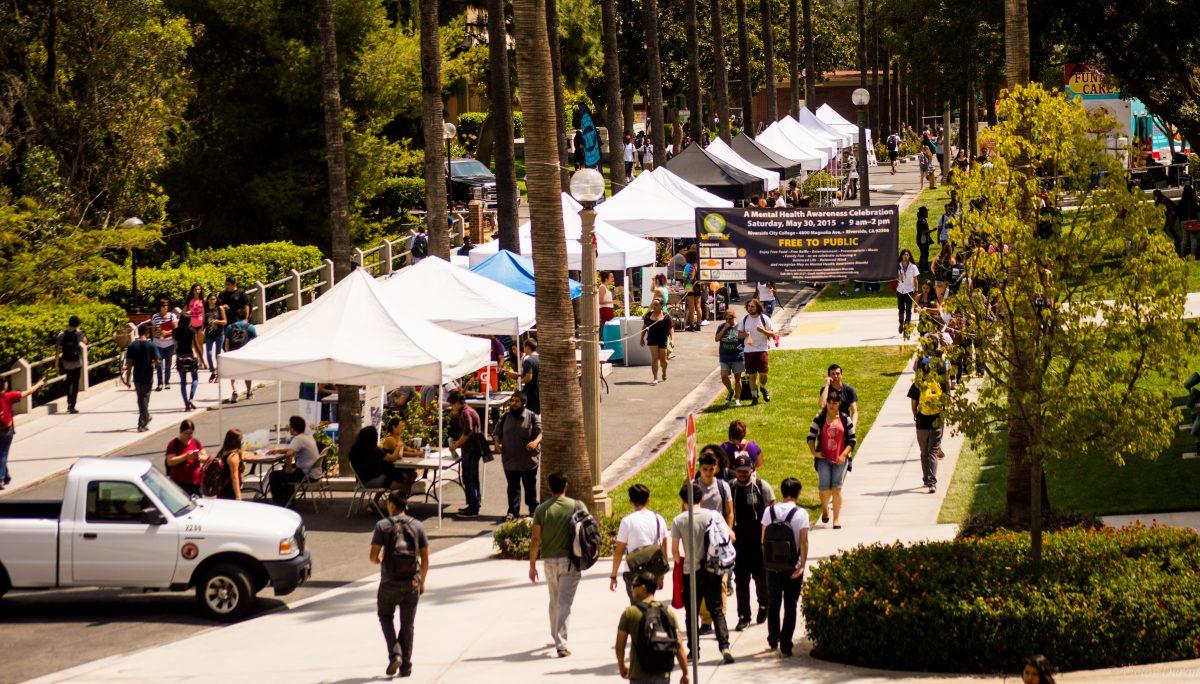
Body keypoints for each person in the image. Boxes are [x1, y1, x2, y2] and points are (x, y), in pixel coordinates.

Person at [671, 482, 735, 664]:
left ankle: (694, 651)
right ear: (701, 498)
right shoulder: (713, 515)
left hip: (691, 572)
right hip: (712, 569)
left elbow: (675, 552)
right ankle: (724, 646)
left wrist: (681, 562)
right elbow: (731, 536)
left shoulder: (679, 520)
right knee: (716, 609)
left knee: (692, 613)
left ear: (683, 500)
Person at [370, 492, 429, 678]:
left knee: (385, 616)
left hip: (389, 582)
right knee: (407, 624)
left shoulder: (382, 525)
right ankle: (406, 666)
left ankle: (395, 653)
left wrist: (381, 561)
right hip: (411, 581)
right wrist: (421, 581)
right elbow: (425, 559)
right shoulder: (418, 526)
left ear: (391, 504)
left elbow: (373, 556)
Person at [529, 472, 582, 658]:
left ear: (549, 487)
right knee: (564, 603)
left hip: (549, 562)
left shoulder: (541, 510)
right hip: (570, 562)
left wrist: (532, 564)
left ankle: (555, 635)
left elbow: (535, 540)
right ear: (566, 485)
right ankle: (561, 644)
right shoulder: (576, 506)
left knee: (554, 600)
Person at [759, 477, 810, 656]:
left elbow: (763, 540)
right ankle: (786, 644)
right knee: (790, 605)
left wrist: (767, 561)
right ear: (798, 493)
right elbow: (803, 541)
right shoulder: (801, 514)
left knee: (773, 603)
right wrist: (802, 565)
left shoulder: (768, 511)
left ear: (781, 492)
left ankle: (773, 639)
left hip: (772, 566)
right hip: (792, 566)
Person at [615, 571, 689, 684]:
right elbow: (678, 646)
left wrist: (621, 666)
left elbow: (620, 646)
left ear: (643, 588)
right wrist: (685, 673)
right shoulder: (667, 613)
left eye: (634, 586)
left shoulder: (630, 612)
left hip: (639, 675)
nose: (631, 589)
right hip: (663, 674)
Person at [730, 452, 773, 631]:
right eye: (739, 471)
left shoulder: (761, 486)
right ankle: (744, 615)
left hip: (758, 542)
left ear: (752, 469)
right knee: (741, 580)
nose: (742, 474)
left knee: (761, 578)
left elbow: (772, 510)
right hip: (739, 542)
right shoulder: (730, 488)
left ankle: (764, 605)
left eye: (745, 470)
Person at [610, 484, 669, 600]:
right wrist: (661, 575)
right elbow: (664, 548)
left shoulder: (627, 521)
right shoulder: (659, 519)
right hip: (653, 571)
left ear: (630, 502)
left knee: (637, 609)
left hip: (633, 572)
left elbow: (619, 551)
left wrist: (613, 576)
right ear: (648, 500)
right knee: (648, 605)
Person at [807, 389, 855, 528]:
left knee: (836, 489)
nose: (832, 405)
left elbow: (852, 440)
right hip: (823, 459)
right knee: (824, 489)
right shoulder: (820, 418)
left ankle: (836, 519)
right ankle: (825, 510)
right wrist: (814, 452)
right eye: (829, 401)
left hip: (840, 459)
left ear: (839, 403)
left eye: (835, 402)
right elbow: (810, 437)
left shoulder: (845, 419)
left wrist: (843, 455)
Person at [493, 391, 541, 521]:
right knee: (513, 488)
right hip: (510, 460)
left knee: (530, 488)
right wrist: (496, 443)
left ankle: (533, 510)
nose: (513, 403)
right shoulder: (505, 417)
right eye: (512, 401)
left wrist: (535, 442)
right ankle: (513, 513)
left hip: (528, 461)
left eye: (516, 401)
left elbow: (540, 433)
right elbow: (496, 432)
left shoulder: (532, 416)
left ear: (523, 403)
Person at [909, 354, 949, 493]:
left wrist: (915, 414)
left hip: (921, 422)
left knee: (924, 452)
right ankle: (932, 482)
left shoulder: (917, 384)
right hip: (937, 421)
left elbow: (913, 403)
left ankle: (926, 478)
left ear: (920, 369)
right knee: (933, 452)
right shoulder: (940, 382)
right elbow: (946, 400)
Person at [266, 416, 323, 505]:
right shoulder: (307, 437)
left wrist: (289, 469)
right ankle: (289, 499)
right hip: (315, 472)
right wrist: (277, 451)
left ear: (293, 428)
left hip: (306, 474)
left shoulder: (298, 439)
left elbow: (289, 454)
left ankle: (280, 502)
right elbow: (291, 449)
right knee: (284, 471)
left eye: (290, 427)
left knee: (274, 475)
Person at [0, 376, 45, 488]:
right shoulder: (9, 396)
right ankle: (1, 478)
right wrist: (39, 384)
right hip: (6, 430)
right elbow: (27, 392)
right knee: (3, 454)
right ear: (4, 385)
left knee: (1, 454)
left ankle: (6, 477)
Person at [446, 390, 484, 516]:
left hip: (471, 449)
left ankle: (473, 506)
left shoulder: (466, 413)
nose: (452, 407)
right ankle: (474, 503)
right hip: (472, 448)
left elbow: (468, 431)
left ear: (457, 403)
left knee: (469, 477)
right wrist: (459, 442)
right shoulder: (469, 410)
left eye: (452, 404)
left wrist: (457, 444)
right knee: (473, 477)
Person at [737, 299, 777, 405]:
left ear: (758, 307)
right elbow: (739, 335)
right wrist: (744, 334)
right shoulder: (744, 319)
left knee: (763, 373)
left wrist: (763, 331)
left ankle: (763, 388)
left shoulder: (764, 319)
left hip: (761, 349)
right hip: (748, 350)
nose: (750, 308)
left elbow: (773, 334)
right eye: (749, 306)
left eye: (752, 306)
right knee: (752, 375)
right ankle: (754, 398)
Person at [122, 324, 160, 432]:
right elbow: (158, 361)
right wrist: (152, 364)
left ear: (138, 333)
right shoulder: (151, 346)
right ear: (147, 333)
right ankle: (142, 423)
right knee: (144, 399)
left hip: (137, 376)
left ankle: (145, 417)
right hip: (148, 376)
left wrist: (128, 379)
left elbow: (129, 365)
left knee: (140, 399)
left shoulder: (132, 346)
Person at [348, 425, 409, 491]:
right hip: (373, 481)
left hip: (361, 481)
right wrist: (398, 446)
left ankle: (381, 499)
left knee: (391, 471)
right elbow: (392, 458)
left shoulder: (355, 449)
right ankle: (395, 499)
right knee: (404, 478)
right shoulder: (374, 449)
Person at [379, 416, 422, 495]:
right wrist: (418, 454)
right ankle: (399, 497)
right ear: (394, 427)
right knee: (408, 475)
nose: (402, 428)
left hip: (396, 466)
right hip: (389, 468)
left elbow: (407, 449)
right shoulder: (390, 439)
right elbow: (401, 453)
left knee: (413, 474)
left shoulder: (398, 439)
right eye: (400, 426)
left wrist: (416, 450)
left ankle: (401, 496)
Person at [165, 419, 207, 496]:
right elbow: (170, 461)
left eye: (191, 433)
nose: (189, 436)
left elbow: (205, 457)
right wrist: (186, 456)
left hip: (195, 483)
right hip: (180, 483)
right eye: (186, 433)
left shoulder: (196, 442)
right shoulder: (174, 444)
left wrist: (199, 457)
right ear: (181, 432)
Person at [55, 315, 87, 414]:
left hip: (66, 363)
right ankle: (72, 406)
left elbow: (57, 350)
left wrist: (56, 364)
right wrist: (79, 330)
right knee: (75, 384)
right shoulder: (79, 333)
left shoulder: (62, 334)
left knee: (68, 383)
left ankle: (69, 402)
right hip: (77, 363)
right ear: (77, 324)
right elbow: (85, 342)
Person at [223, 314, 257, 402]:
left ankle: (235, 392)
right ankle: (249, 392)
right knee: (247, 373)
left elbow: (226, 342)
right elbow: (256, 342)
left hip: (233, 353)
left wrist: (227, 353)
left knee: (234, 374)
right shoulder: (250, 327)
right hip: (245, 354)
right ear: (245, 317)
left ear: (237, 317)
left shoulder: (230, 327)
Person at [173, 317, 204, 411]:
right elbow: (196, 346)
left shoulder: (175, 331)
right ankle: (191, 398)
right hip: (190, 356)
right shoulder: (192, 331)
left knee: (183, 382)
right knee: (195, 379)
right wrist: (202, 359)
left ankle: (186, 404)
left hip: (179, 356)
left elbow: (175, 344)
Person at [714, 311, 744, 405]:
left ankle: (737, 399)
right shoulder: (721, 327)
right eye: (726, 319)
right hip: (724, 356)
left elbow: (744, 338)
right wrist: (724, 329)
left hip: (737, 356)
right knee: (723, 376)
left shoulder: (739, 327)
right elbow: (717, 339)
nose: (727, 321)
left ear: (734, 318)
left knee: (737, 379)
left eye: (730, 319)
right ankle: (730, 391)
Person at [640, 298, 673, 385]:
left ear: (661, 306)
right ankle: (655, 378)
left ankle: (664, 371)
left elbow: (670, 329)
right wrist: (641, 338)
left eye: (656, 305)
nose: (654, 306)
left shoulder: (666, 316)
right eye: (653, 304)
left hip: (663, 338)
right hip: (652, 338)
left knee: (663, 360)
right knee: (654, 359)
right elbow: (644, 326)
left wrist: (672, 340)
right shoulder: (648, 315)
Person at [204, 428, 245, 500]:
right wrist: (238, 496)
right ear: (237, 442)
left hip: (222, 491)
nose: (242, 442)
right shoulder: (233, 457)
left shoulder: (223, 452)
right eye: (241, 440)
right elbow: (234, 478)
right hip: (230, 492)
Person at [150, 298, 178, 391]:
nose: (165, 307)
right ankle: (159, 383)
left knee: (168, 364)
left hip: (169, 342)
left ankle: (167, 382)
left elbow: (175, 329)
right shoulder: (155, 316)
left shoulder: (172, 316)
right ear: (160, 307)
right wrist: (158, 332)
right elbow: (153, 332)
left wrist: (167, 332)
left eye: (166, 305)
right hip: (158, 343)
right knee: (159, 365)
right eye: (163, 306)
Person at [896, 249, 920, 336]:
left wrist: (916, 291)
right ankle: (901, 323)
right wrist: (898, 276)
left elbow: (915, 280)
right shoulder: (897, 266)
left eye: (907, 255)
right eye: (904, 255)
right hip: (900, 290)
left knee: (909, 310)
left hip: (909, 291)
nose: (906, 256)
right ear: (901, 256)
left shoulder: (913, 267)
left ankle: (907, 327)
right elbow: (894, 278)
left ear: (909, 256)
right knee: (901, 309)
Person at [203, 292, 226, 382]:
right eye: (211, 299)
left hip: (219, 334)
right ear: (208, 300)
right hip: (209, 334)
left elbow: (225, 321)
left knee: (217, 355)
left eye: (214, 299)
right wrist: (202, 329)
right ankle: (213, 371)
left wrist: (217, 321)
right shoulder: (205, 309)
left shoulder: (219, 308)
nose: (213, 301)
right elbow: (203, 321)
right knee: (208, 354)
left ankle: (219, 374)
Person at [185, 284, 206, 352]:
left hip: (200, 325)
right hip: (191, 326)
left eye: (199, 289)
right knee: (192, 345)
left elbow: (203, 314)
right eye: (196, 289)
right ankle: (193, 360)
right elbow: (183, 312)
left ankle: (201, 361)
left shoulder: (202, 301)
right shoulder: (189, 301)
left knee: (200, 344)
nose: (197, 291)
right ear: (193, 291)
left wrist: (203, 327)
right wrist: (188, 313)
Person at [916, 205, 933, 272]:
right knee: (924, 254)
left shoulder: (923, 220)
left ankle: (922, 267)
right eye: (926, 212)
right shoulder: (921, 221)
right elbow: (924, 232)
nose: (927, 213)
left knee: (925, 253)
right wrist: (933, 230)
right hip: (922, 240)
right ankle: (923, 268)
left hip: (924, 240)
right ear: (923, 213)